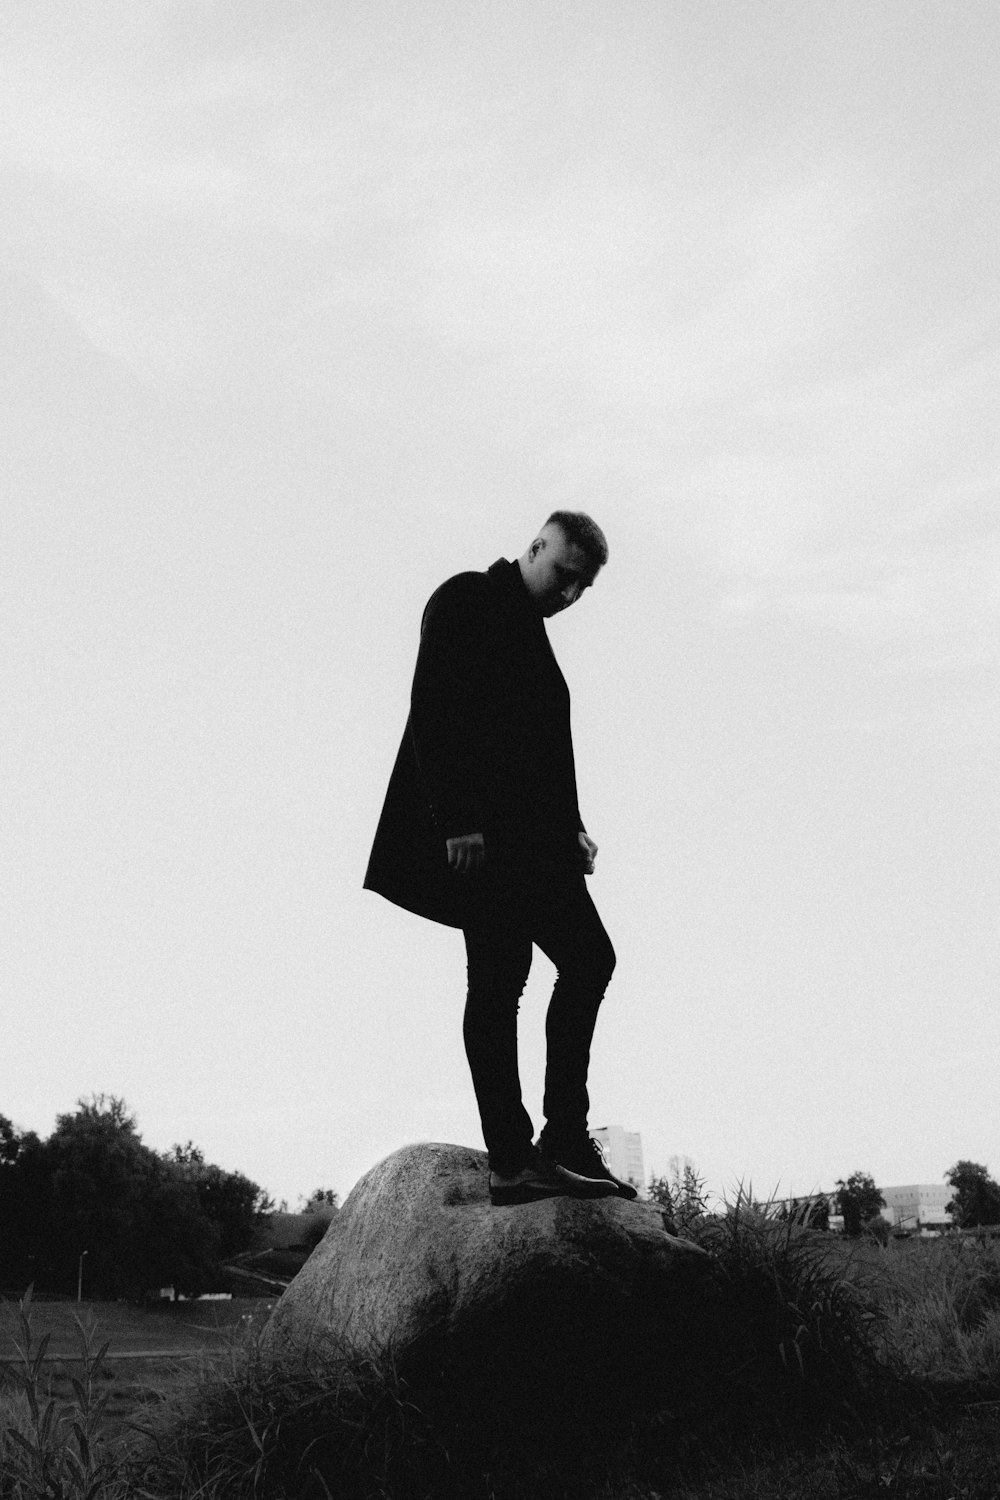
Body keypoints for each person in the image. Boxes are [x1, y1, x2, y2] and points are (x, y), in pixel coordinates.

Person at [364, 513, 635, 1205]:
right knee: (503, 981)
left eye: (583, 587)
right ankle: (516, 1156)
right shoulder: (468, 599)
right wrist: (456, 821)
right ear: (536, 547)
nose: (571, 594)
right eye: (564, 574)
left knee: (581, 961)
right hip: (486, 843)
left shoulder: (531, 630)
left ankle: (559, 1141)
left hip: (535, 846)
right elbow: (433, 706)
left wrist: (573, 825)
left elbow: (540, 743)